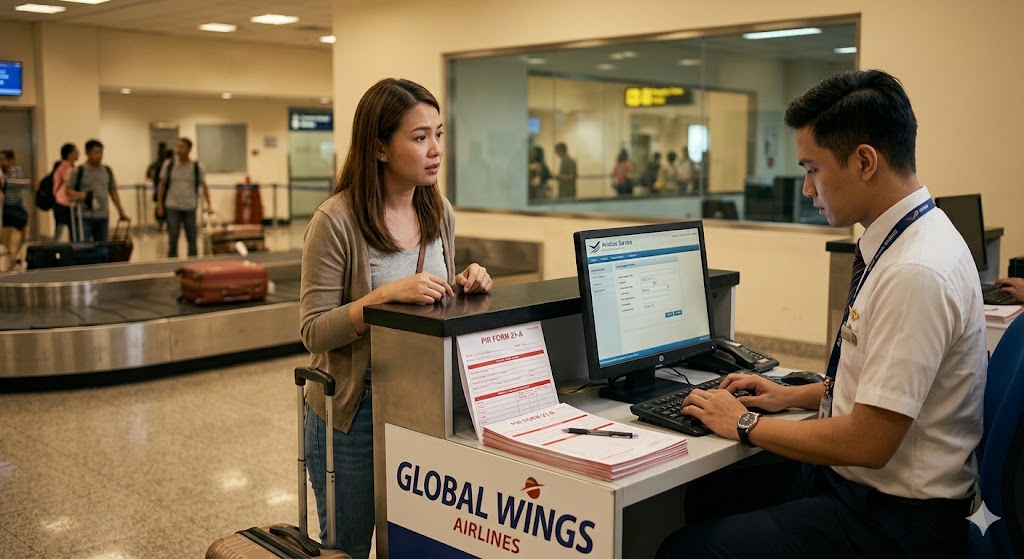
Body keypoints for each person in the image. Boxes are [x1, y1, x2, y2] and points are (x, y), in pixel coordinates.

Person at [656, 70, 987, 558]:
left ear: (865, 161)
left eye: (813, 168)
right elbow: (884, 389)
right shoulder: (909, 238)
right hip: (866, 490)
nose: (808, 189)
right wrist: (791, 395)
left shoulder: (915, 270)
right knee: (711, 495)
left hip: (895, 522)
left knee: (689, 550)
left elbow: (869, 442)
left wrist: (744, 424)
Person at [298, 77, 493, 559]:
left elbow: (432, 297)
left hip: (422, 400)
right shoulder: (336, 220)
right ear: (380, 147)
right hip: (353, 410)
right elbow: (313, 329)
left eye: (439, 134)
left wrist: (466, 283)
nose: (435, 149)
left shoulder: (438, 211)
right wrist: (381, 297)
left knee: (411, 537)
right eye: (419, 136)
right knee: (347, 545)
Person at [156, 137, 212, 257]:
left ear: (189, 149)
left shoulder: (197, 167)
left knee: (192, 238)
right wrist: (159, 204)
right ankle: (172, 263)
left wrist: (209, 205)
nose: (178, 149)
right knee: (173, 237)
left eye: (181, 146)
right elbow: (161, 185)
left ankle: (192, 263)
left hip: (190, 206)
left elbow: (204, 186)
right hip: (172, 206)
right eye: (177, 146)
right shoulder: (169, 165)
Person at [67, 139, 128, 242]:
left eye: (101, 152)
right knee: (84, 246)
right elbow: (68, 190)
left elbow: (113, 191)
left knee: (102, 247)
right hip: (84, 216)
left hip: (103, 215)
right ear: (87, 153)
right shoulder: (79, 171)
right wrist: (81, 195)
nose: (99, 156)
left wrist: (120, 210)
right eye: (95, 153)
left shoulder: (107, 170)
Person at [1, 150, 30, 266]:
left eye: (3, 160)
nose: (1, 162)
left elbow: (21, 184)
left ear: (11, 160)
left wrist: (9, 183)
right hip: (5, 207)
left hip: (17, 205)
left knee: (22, 229)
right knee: (10, 231)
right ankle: (10, 255)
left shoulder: (17, 170)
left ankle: (14, 256)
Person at [52, 143, 82, 242]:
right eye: (76, 151)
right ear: (69, 154)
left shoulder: (68, 167)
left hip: (67, 203)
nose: (78, 153)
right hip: (63, 203)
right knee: (62, 232)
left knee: (70, 231)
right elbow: (69, 183)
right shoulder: (65, 168)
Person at [147, 145, 173, 231]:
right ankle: (164, 225)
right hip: (163, 190)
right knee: (162, 208)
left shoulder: (157, 164)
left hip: (160, 189)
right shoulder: (167, 165)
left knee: (161, 207)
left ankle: (161, 225)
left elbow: (149, 176)